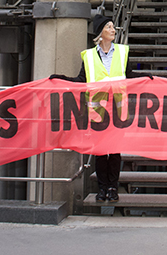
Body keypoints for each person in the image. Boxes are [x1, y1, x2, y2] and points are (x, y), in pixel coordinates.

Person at [50, 15, 135, 203]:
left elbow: (130, 76)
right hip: (98, 110)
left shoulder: (122, 52)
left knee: (114, 151)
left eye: (113, 27)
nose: (113, 30)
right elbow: (81, 80)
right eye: (109, 27)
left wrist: (148, 77)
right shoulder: (89, 56)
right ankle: (102, 188)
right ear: (100, 33)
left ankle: (112, 187)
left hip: (118, 108)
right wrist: (62, 79)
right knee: (100, 151)